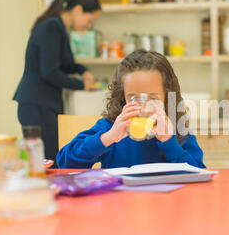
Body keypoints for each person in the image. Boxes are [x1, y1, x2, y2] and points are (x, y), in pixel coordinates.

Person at [57, 50, 206, 169]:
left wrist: (169, 144)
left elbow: (199, 173)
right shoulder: (110, 127)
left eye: (152, 99)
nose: (143, 108)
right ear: (122, 98)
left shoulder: (178, 132)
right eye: (133, 99)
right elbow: (65, 162)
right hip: (118, 204)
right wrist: (107, 138)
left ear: (168, 96)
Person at [13, 0, 102, 166]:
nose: (89, 25)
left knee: (47, 160)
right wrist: (81, 85)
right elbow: (50, 72)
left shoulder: (59, 28)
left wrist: (83, 70)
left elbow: (65, 65)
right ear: (77, 10)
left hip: (41, 104)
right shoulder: (52, 27)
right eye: (89, 20)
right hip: (37, 104)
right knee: (49, 161)